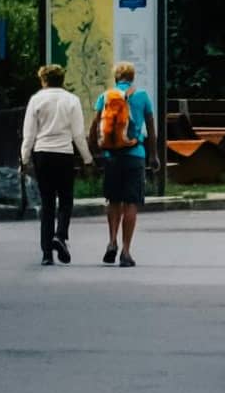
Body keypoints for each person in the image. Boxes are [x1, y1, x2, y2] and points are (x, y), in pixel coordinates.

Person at [18, 51, 88, 264]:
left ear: (43, 80)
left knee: (47, 203)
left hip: (42, 154)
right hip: (64, 154)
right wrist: (87, 158)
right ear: (62, 80)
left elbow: (28, 134)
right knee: (66, 199)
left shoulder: (36, 100)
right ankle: (60, 235)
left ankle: (47, 254)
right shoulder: (72, 100)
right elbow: (77, 134)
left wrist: (24, 158)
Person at [92, 59, 152, 267]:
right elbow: (152, 130)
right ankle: (126, 251)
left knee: (114, 200)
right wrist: (153, 156)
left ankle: (111, 242)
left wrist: (96, 152)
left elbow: (95, 126)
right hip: (135, 155)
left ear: (116, 77)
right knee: (131, 202)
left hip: (112, 157)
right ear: (133, 77)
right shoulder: (143, 96)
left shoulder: (105, 96)